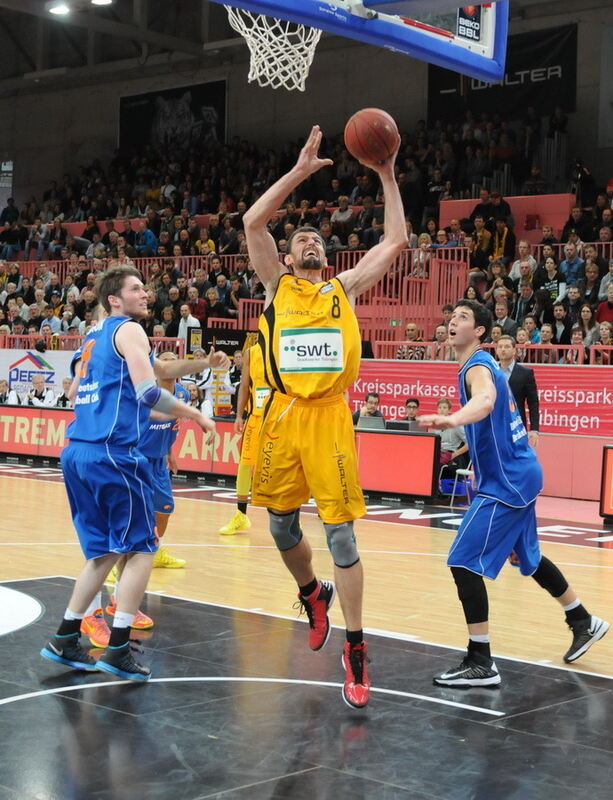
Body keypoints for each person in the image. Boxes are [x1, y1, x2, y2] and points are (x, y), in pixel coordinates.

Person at [243, 124, 407, 708]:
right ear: (287, 257)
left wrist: (386, 176)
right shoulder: (275, 287)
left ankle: (356, 650)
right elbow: (252, 223)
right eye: (302, 240)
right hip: (281, 419)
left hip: (329, 417)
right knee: (282, 528)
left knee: (341, 532)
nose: (311, 243)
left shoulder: (343, 289)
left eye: (318, 240)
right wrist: (299, 173)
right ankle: (314, 594)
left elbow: (393, 242)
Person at [418, 299, 608, 687]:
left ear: (481, 332)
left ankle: (481, 660)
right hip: (516, 476)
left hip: (509, 483)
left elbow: (486, 401)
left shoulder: (477, 368)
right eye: (451, 316)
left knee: (462, 560)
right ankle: (583, 620)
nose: (453, 321)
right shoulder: (478, 366)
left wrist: (452, 419)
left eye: (463, 318)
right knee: (527, 556)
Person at [40, 266, 216, 681]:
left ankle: (65, 638)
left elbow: (157, 372)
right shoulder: (130, 330)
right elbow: (148, 391)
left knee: (102, 553)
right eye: (136, 288)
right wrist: (195, 414)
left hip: (77, 452)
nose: (146, 293)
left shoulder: (93, 336)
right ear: (114, 300)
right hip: (113, 454)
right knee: (142, 548)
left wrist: (205, 362)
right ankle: (117, 648)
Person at [219, 345, 271, 535]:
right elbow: (244, 385)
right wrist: (240, 415)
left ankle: (290, 517)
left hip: (279, 417)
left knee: (280, 465)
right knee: (245, 464)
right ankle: (241, 515)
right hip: (255, 417)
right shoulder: (252, 352)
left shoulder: (285, 345)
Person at [496, 336, 539, 447]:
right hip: (493, 424)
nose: (503, 349)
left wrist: (534, 429)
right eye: (500, 347)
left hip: (516, 427)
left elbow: (533, 403)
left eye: (507, 346)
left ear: (514, 350)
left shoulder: (526, 373)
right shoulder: (490, 371)